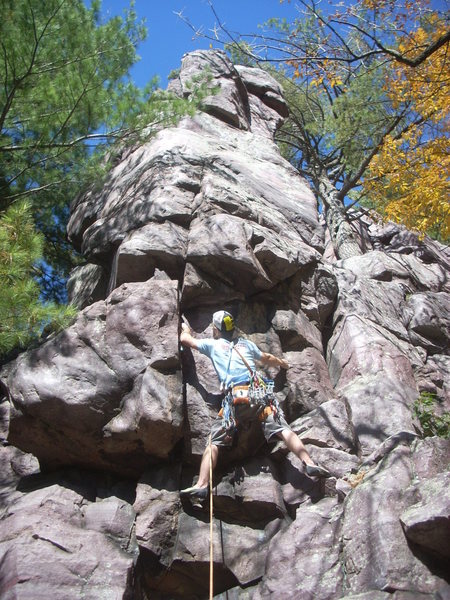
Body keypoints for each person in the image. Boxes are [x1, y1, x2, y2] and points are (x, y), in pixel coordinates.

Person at [179, 310, 331, 500]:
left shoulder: (212, 345)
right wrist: (283, 363)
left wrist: (185, 329)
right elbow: (266, 357)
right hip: (259, 394)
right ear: (232, 329)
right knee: (283, 429)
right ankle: (308, 461)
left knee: (214, 442)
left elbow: (186, 340)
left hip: (235, 398)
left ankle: (202, 484)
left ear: (216, 330)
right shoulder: (245, 344)